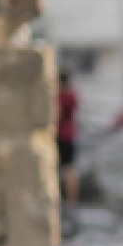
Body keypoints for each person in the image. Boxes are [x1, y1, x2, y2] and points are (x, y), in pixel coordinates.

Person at [56, 70, 79, 204]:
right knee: (70, 169)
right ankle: (71, 201)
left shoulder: (59, 95)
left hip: (60, 134)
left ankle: (61, 199)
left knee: (61, 169)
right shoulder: (73, 94)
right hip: (71, 134)